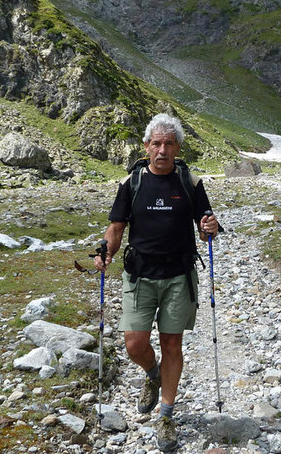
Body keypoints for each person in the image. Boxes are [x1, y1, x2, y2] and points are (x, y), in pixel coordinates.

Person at [94, 112, 220, 452]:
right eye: (156, 143)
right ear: (146, 146)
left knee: (172, 345)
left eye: (168, 143)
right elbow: (116, 229)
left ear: (177, 147)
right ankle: (152, 374)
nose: (162, 150)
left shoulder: (189, 182)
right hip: (139, 276)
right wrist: (106, 251)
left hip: (179, 276)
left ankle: (166, 416)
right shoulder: (131, 183)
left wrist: (210, 227)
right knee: (134, 344)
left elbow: (206, 224)